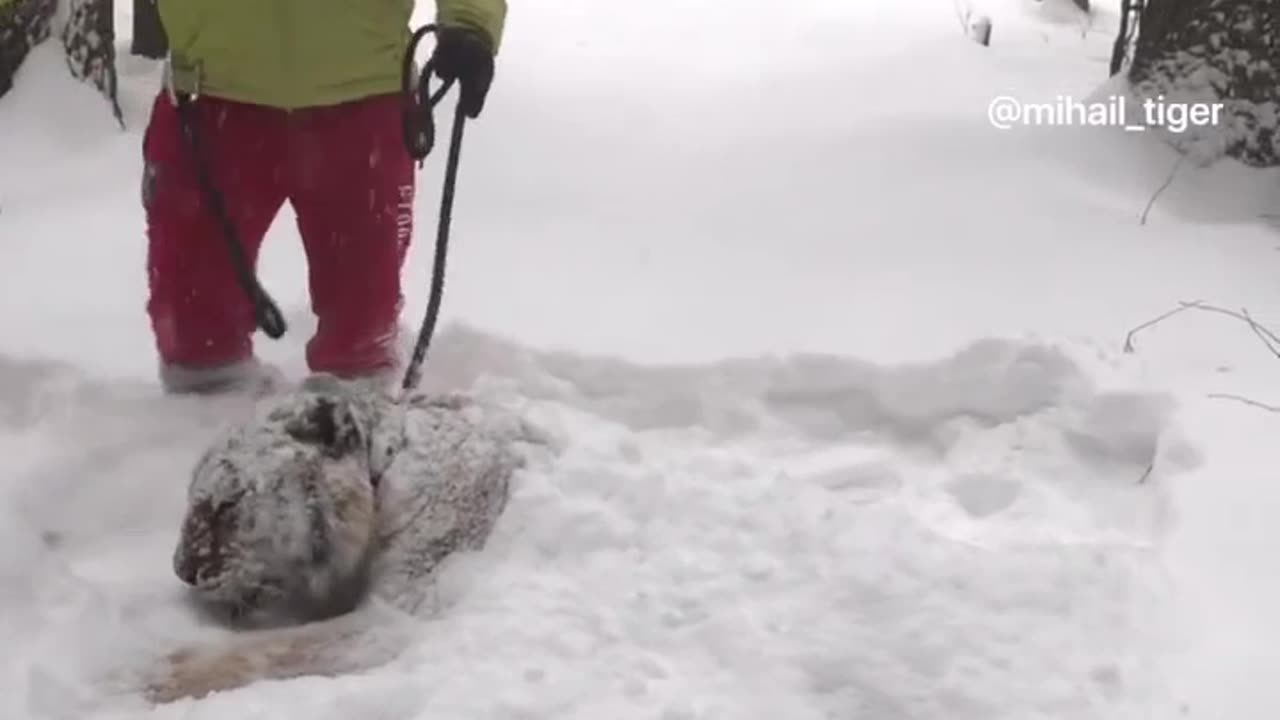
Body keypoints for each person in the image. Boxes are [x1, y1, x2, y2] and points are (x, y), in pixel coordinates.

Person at [143, 0, 507, 394]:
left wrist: (471, 22)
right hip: (208, 94)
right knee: (196, 338)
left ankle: (358, 426)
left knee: (362, 329)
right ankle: (189, 429)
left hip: (364, 98)